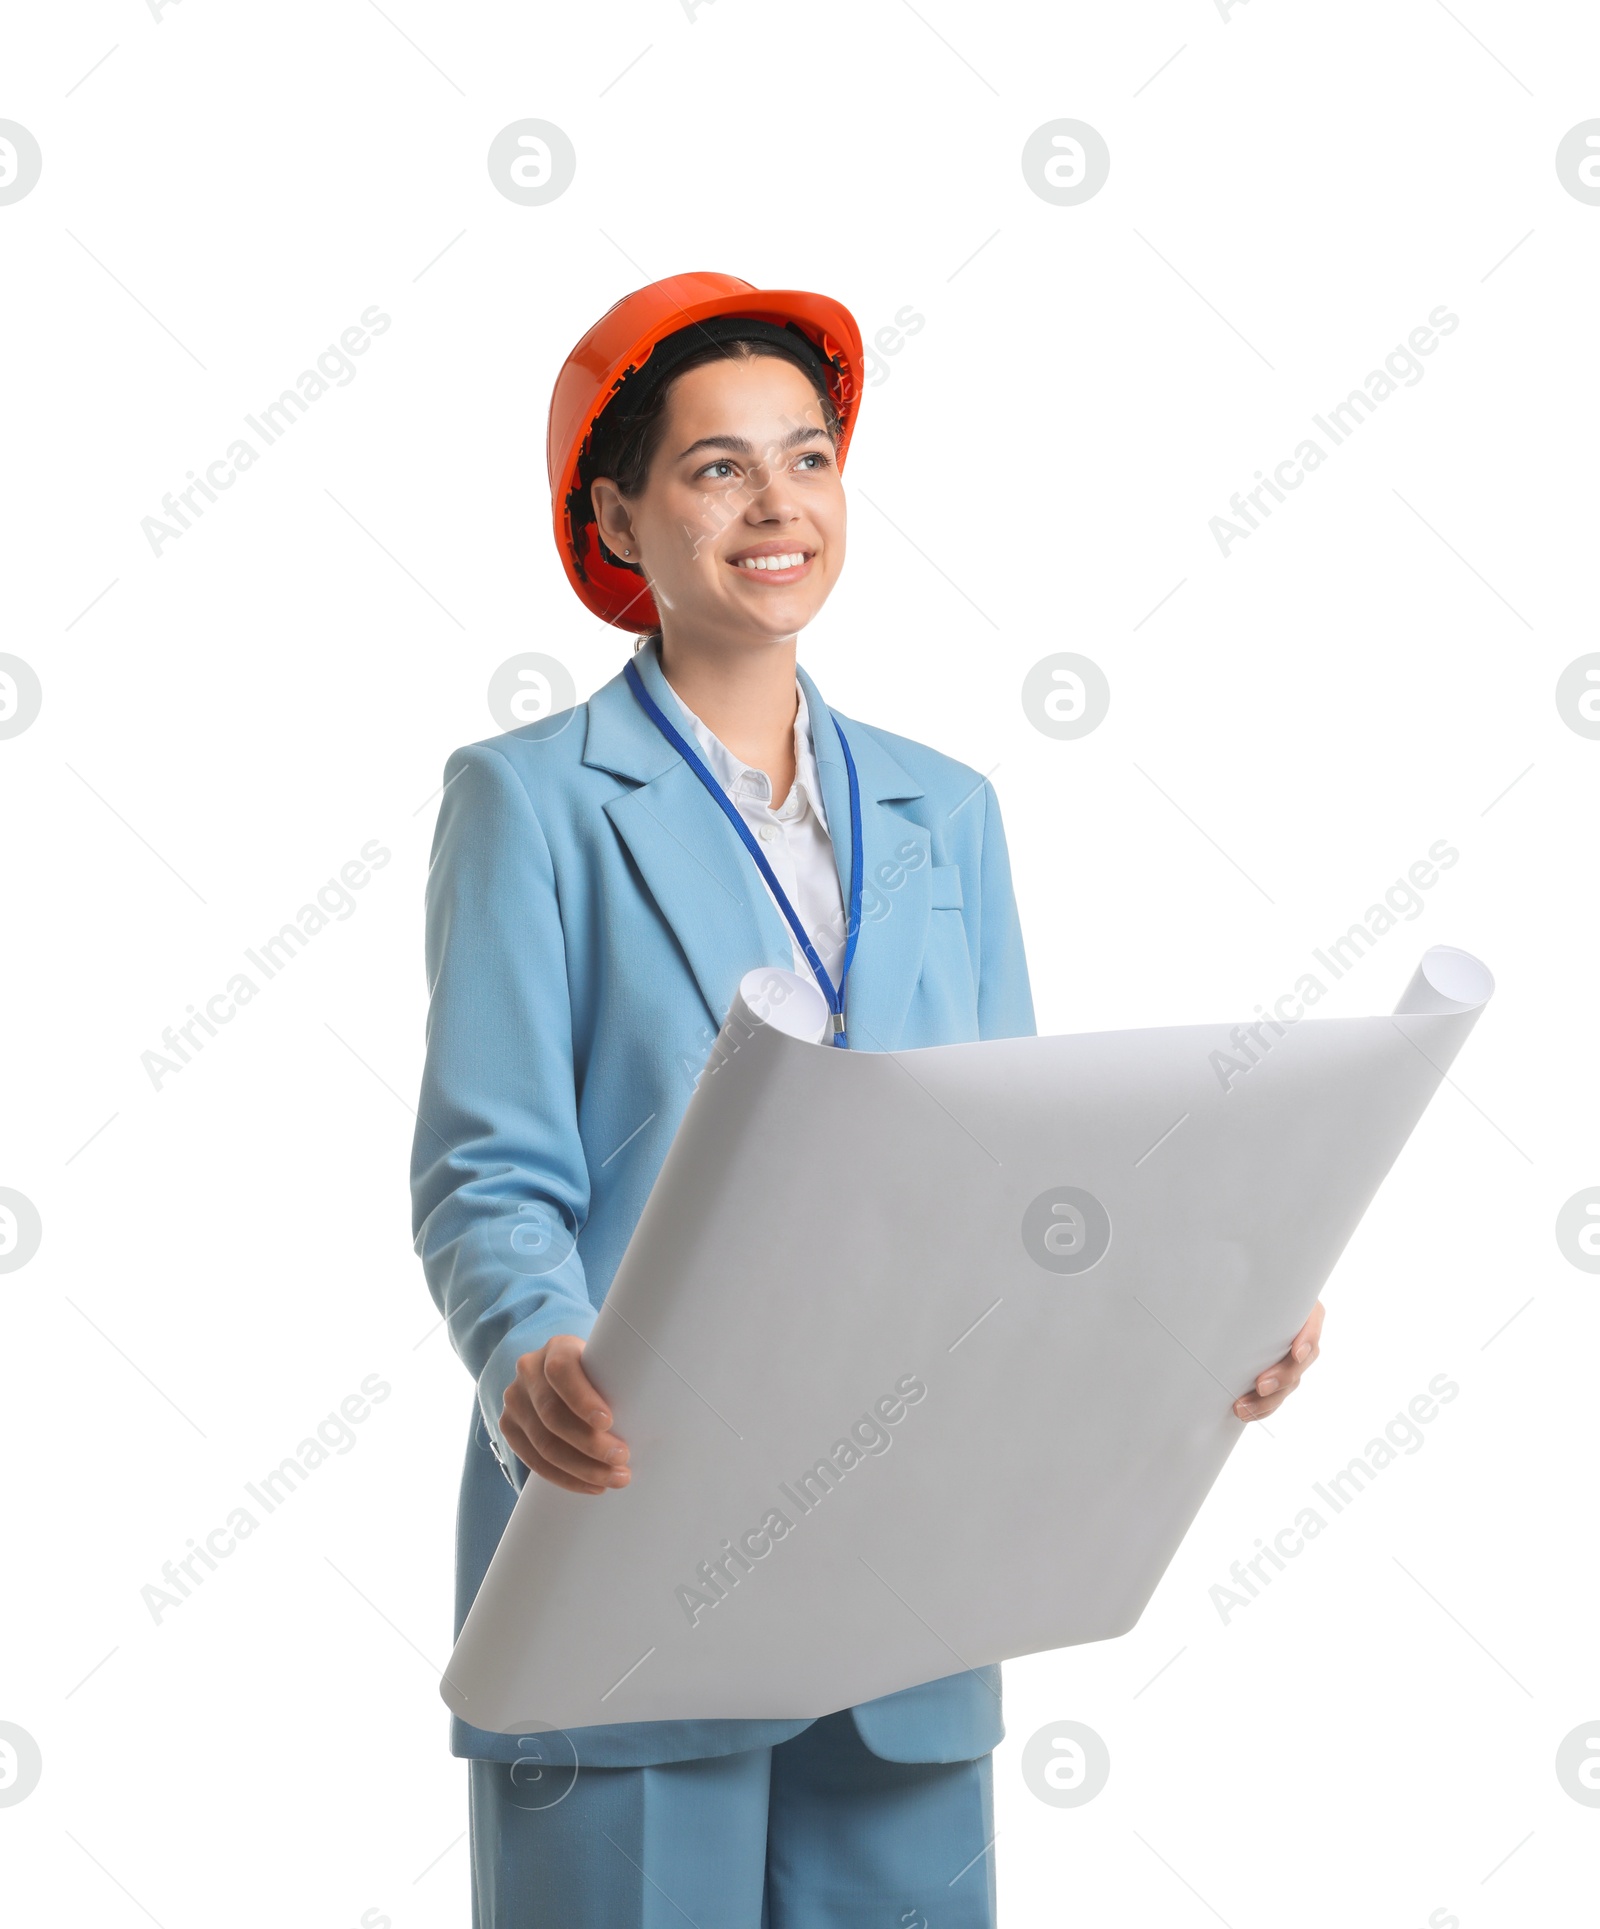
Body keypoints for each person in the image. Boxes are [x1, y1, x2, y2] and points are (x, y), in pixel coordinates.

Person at [410, 272, 1325, 1929]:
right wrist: (525, 1351)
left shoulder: (944, 811)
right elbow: (488, 1169)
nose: (778, 505)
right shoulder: (529, 804)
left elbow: (1033, 1173)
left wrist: (1208, 1306)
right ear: (617, 511)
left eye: (810, 458)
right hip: (634, 1542)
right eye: (716, 468)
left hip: (913, 1568)